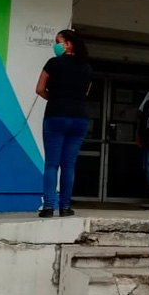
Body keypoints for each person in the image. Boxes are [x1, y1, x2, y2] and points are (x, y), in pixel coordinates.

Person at [35, 29, 92, 218]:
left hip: (56, 115)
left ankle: (48, 207)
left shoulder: (53, 63)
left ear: (68, 44)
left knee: (52, 164)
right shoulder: (87, 68)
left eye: (58, 41)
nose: (56, 45)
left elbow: (40, 88)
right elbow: (85, 93)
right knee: (69, 164)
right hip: (79, 117)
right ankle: (65, 207)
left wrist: (55, 98)